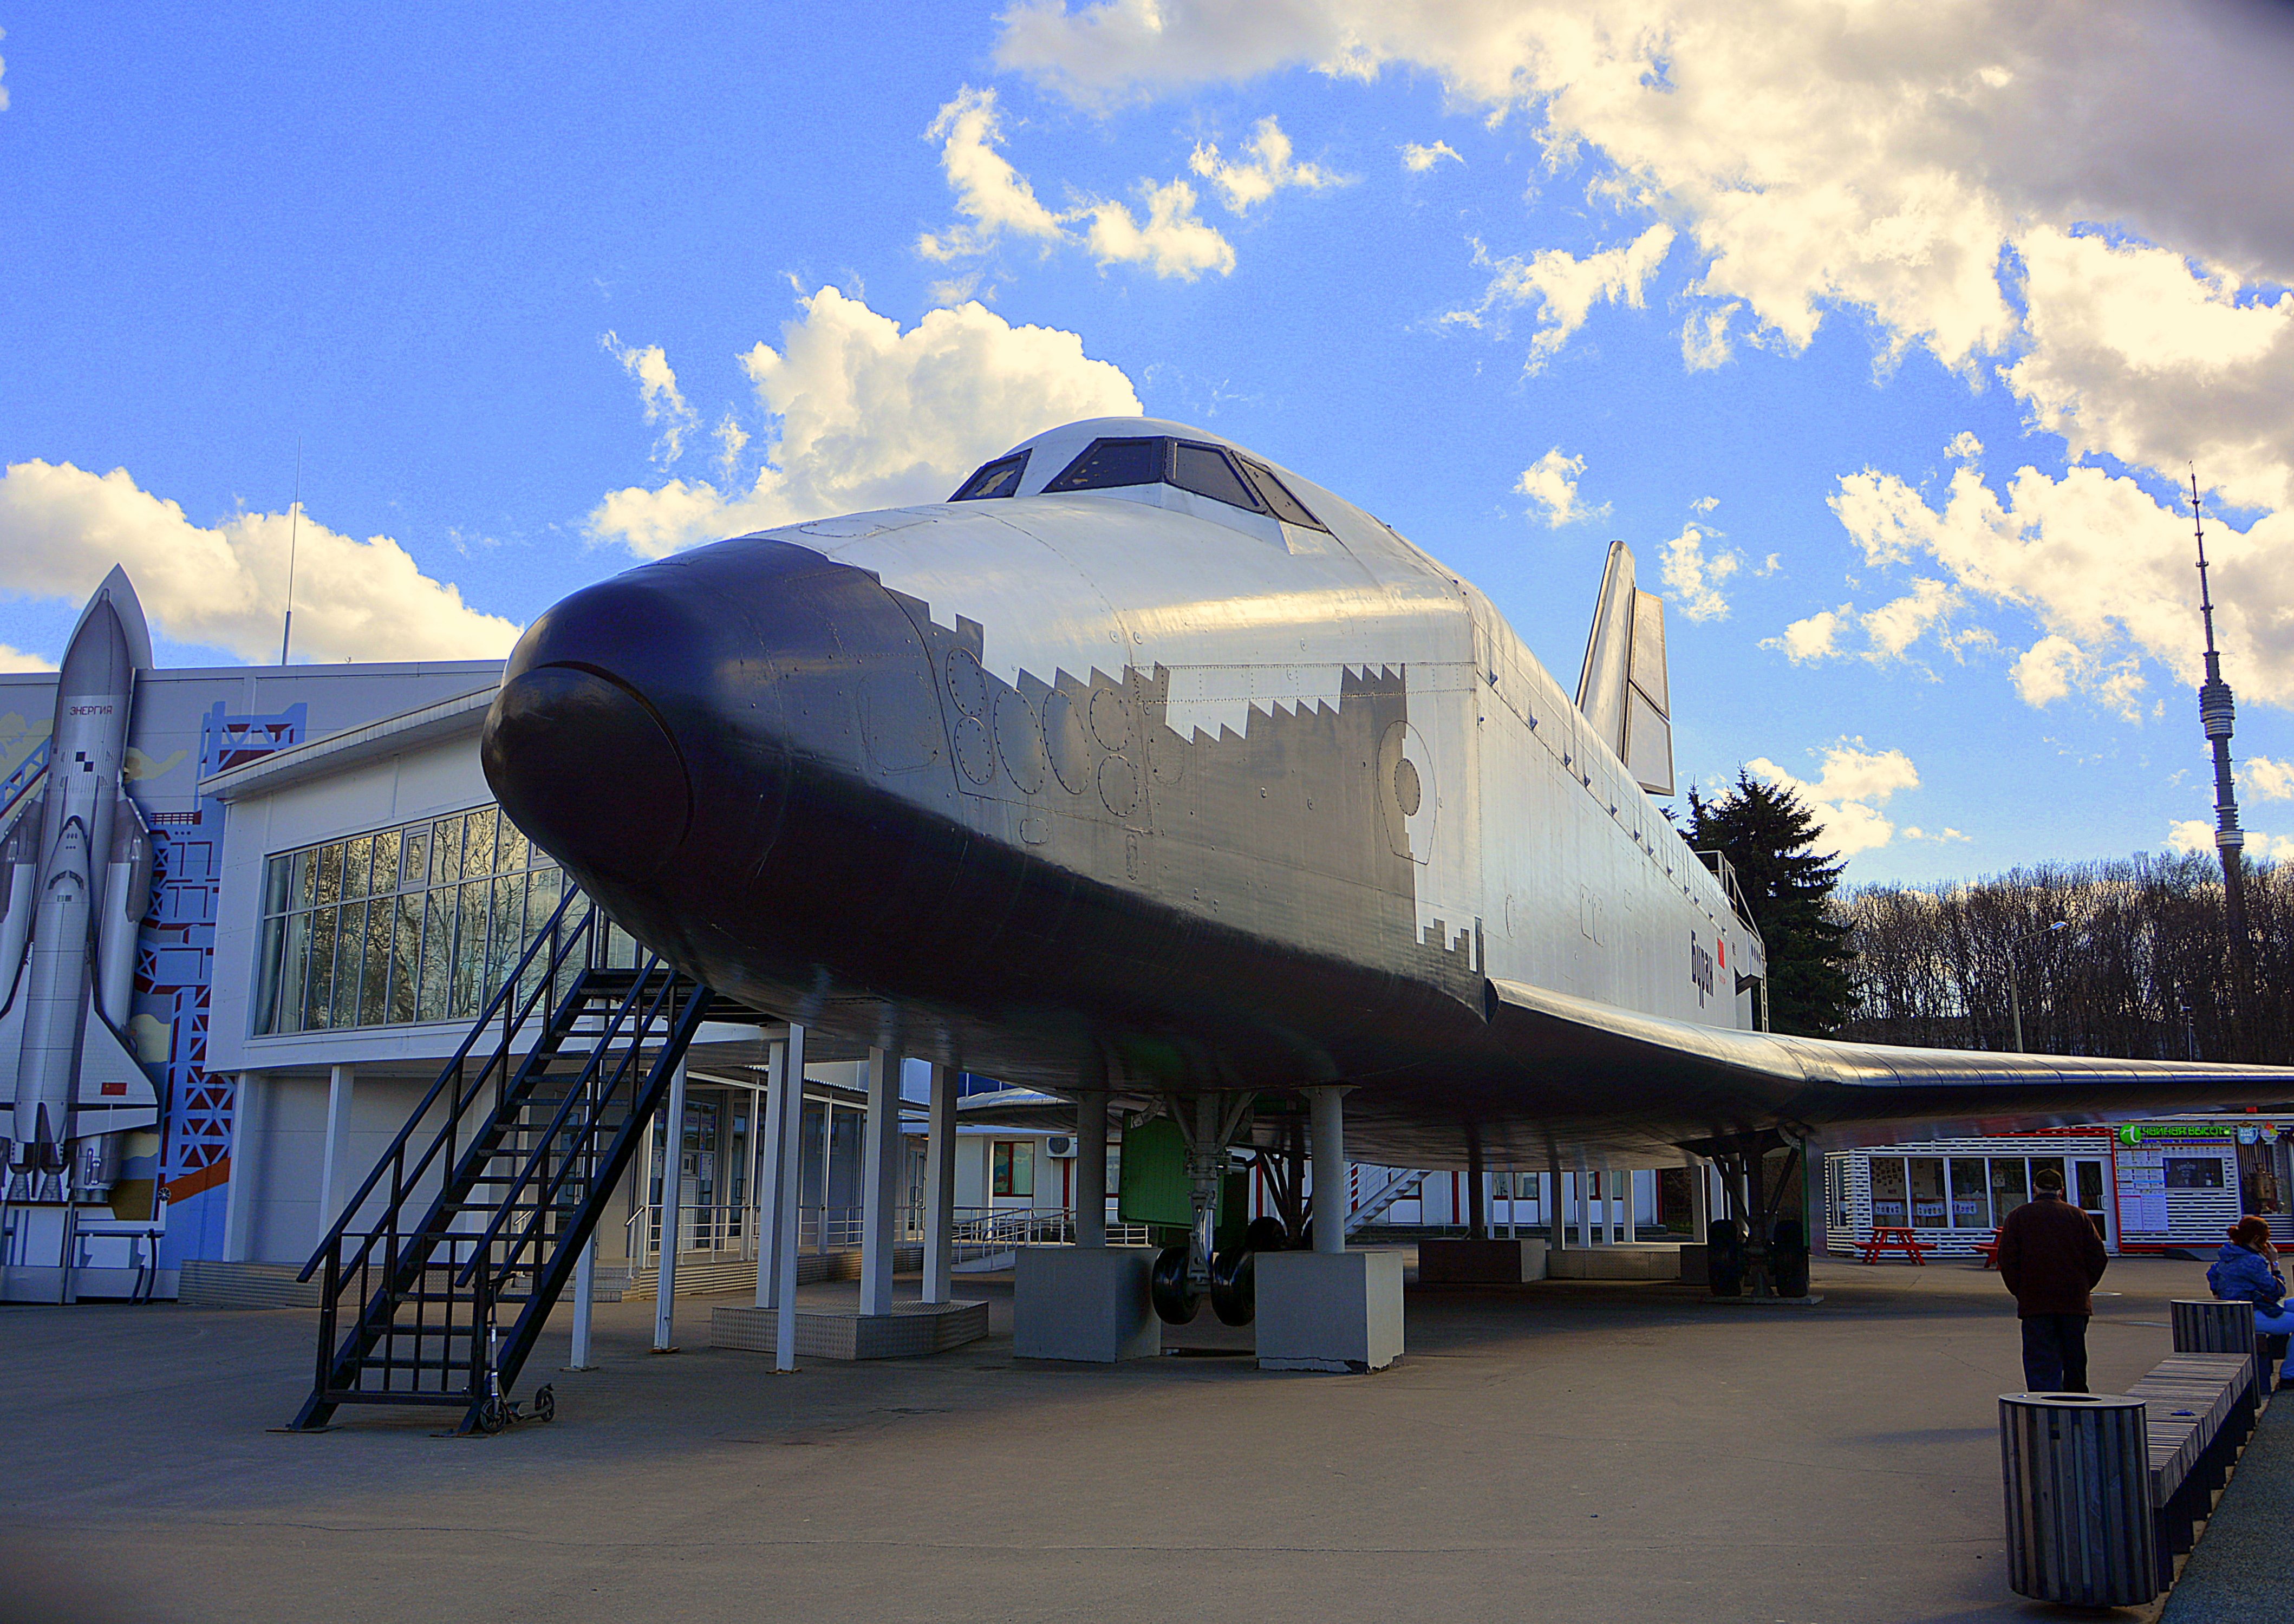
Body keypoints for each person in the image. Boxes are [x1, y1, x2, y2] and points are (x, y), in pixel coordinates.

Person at [1995, 1166, 2109, 1392]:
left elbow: (2007, 1260)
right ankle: (2076, 1404)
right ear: (2062, 1190)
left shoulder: (2018, 1216)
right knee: (2074, 1356)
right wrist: (2085, 1286)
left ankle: (2045, 1407)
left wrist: (2020, 1290)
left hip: (2035, 1301)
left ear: (2035, 1189)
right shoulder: (2079, 1216)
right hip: (2074, 1302)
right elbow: (2099, 1258)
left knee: (2040, 1359)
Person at [2208, 1216, 2294, 1387]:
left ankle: (2279, 1348)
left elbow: (2212, 1273)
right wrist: (2274, 1263)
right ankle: (2289, 1376)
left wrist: (2219, 1293)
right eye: (2266, 1240)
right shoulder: (2252, 1261)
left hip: (2237, 1311)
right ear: (2257, 1239)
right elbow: (2277, 1292)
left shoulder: (2230, 1253)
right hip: (2247, 1315)